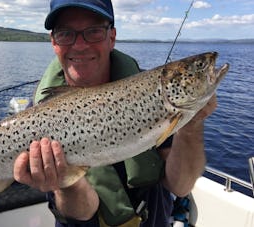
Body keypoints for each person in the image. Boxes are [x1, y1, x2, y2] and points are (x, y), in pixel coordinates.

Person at [13, 0, 217, 226]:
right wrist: (65, 181)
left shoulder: (151, 92)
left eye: (94, 32)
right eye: (65, 33)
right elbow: (82, 212)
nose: (79, 45)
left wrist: (191, 126)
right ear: (53, 42)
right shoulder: (36, 118)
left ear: (112, 37)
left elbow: (181, 186)